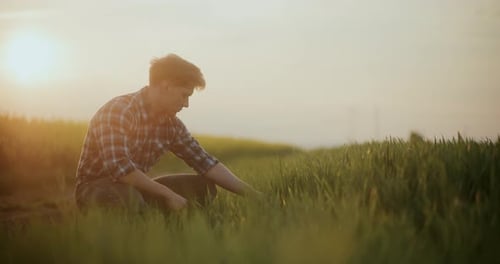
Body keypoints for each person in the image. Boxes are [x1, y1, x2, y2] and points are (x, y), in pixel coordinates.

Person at [75, 53, 259, 213]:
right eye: (184, 95)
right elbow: (120, 169)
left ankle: (157, 218)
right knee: (129, 199)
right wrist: (168, 195)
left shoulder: (172, 125)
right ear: (166, 86)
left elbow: (206, 163)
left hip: (136, 188)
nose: (186, 104)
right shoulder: (120, 111)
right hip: (96, 188)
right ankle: (140, 222)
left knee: (203, 187)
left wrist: (255, 196)